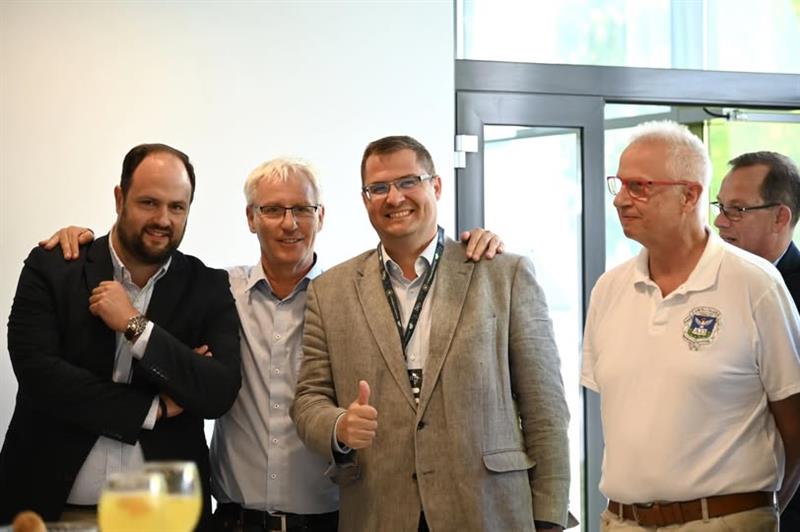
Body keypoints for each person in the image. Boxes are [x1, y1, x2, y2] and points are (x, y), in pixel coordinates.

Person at [41, 157, 503, 532]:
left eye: (302, 209)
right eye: (272, 210)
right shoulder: (215, 292)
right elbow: (143, 268)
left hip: (334, 518)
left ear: (321, 216)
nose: (289, 224)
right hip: (234, 520)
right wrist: (82, 241)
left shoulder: (354, 297)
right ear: (250, 218)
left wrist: (474, 245)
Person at [291, 135, 572, 531]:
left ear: (436, 186)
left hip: (487, 510)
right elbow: (308, 399)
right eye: (378, 188)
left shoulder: (502, 274)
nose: (394, 198)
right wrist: (338, 425)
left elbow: (545, 409)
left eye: (408, 182)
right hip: (378, 510)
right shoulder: (330, 291)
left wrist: (548, 516)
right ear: (365, 200)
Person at [0, 144, 242, 527]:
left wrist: (135, 326)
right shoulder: (54, 267)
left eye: (177, 207)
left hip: (164, 518)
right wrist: (153, 409)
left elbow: (217, 392)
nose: (163, 219)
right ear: (119, 198)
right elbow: (39, 376)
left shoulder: (207, 286)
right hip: (48, 511)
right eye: (149, 203)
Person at [582, 122, 800, 531]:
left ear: (689, 195)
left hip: (724, 521)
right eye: (620, 184)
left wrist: (763, 516)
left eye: (639, 186)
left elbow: (795, 429)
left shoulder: (755, 285)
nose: (621, 200)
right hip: (621, 520)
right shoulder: (609, 289)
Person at [712, 150, 800, 531]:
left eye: (737, 210)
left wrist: (772, 510)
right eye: (720, 206)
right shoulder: (710, 286)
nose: (720, 221)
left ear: (781, 217)